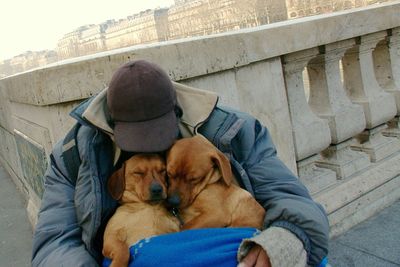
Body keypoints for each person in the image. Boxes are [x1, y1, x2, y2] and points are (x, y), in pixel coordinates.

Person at [31, 60, 329, 267]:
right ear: (112, 124)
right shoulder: (72, 154)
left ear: (177, 112)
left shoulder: (234, 130)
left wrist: (288, 239)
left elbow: (290, 196)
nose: (151, 148)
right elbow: (54, 241)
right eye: (137, 141)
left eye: (160, 138)